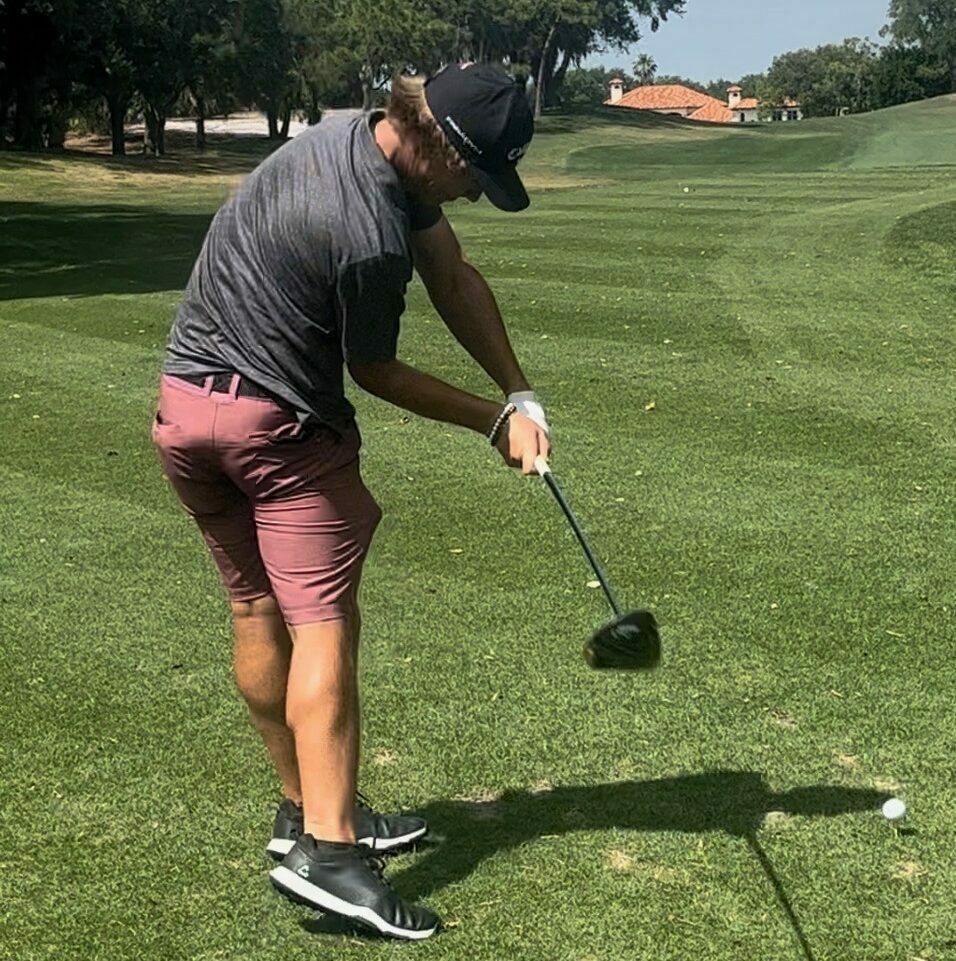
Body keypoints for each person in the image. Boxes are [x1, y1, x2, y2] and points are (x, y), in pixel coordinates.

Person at [151, 62, 550, 941]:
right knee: (324, 624)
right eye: (475, 177)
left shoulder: (351, 135)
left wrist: (519, 389)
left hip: (185, 411)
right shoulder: (368, 232)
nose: (474, 196)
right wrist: (492, 421)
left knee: (256, 609)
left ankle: (304, 808)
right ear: (440, 147)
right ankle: (330, 854)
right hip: (277, 428)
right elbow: (375, 370)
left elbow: (452, 271)